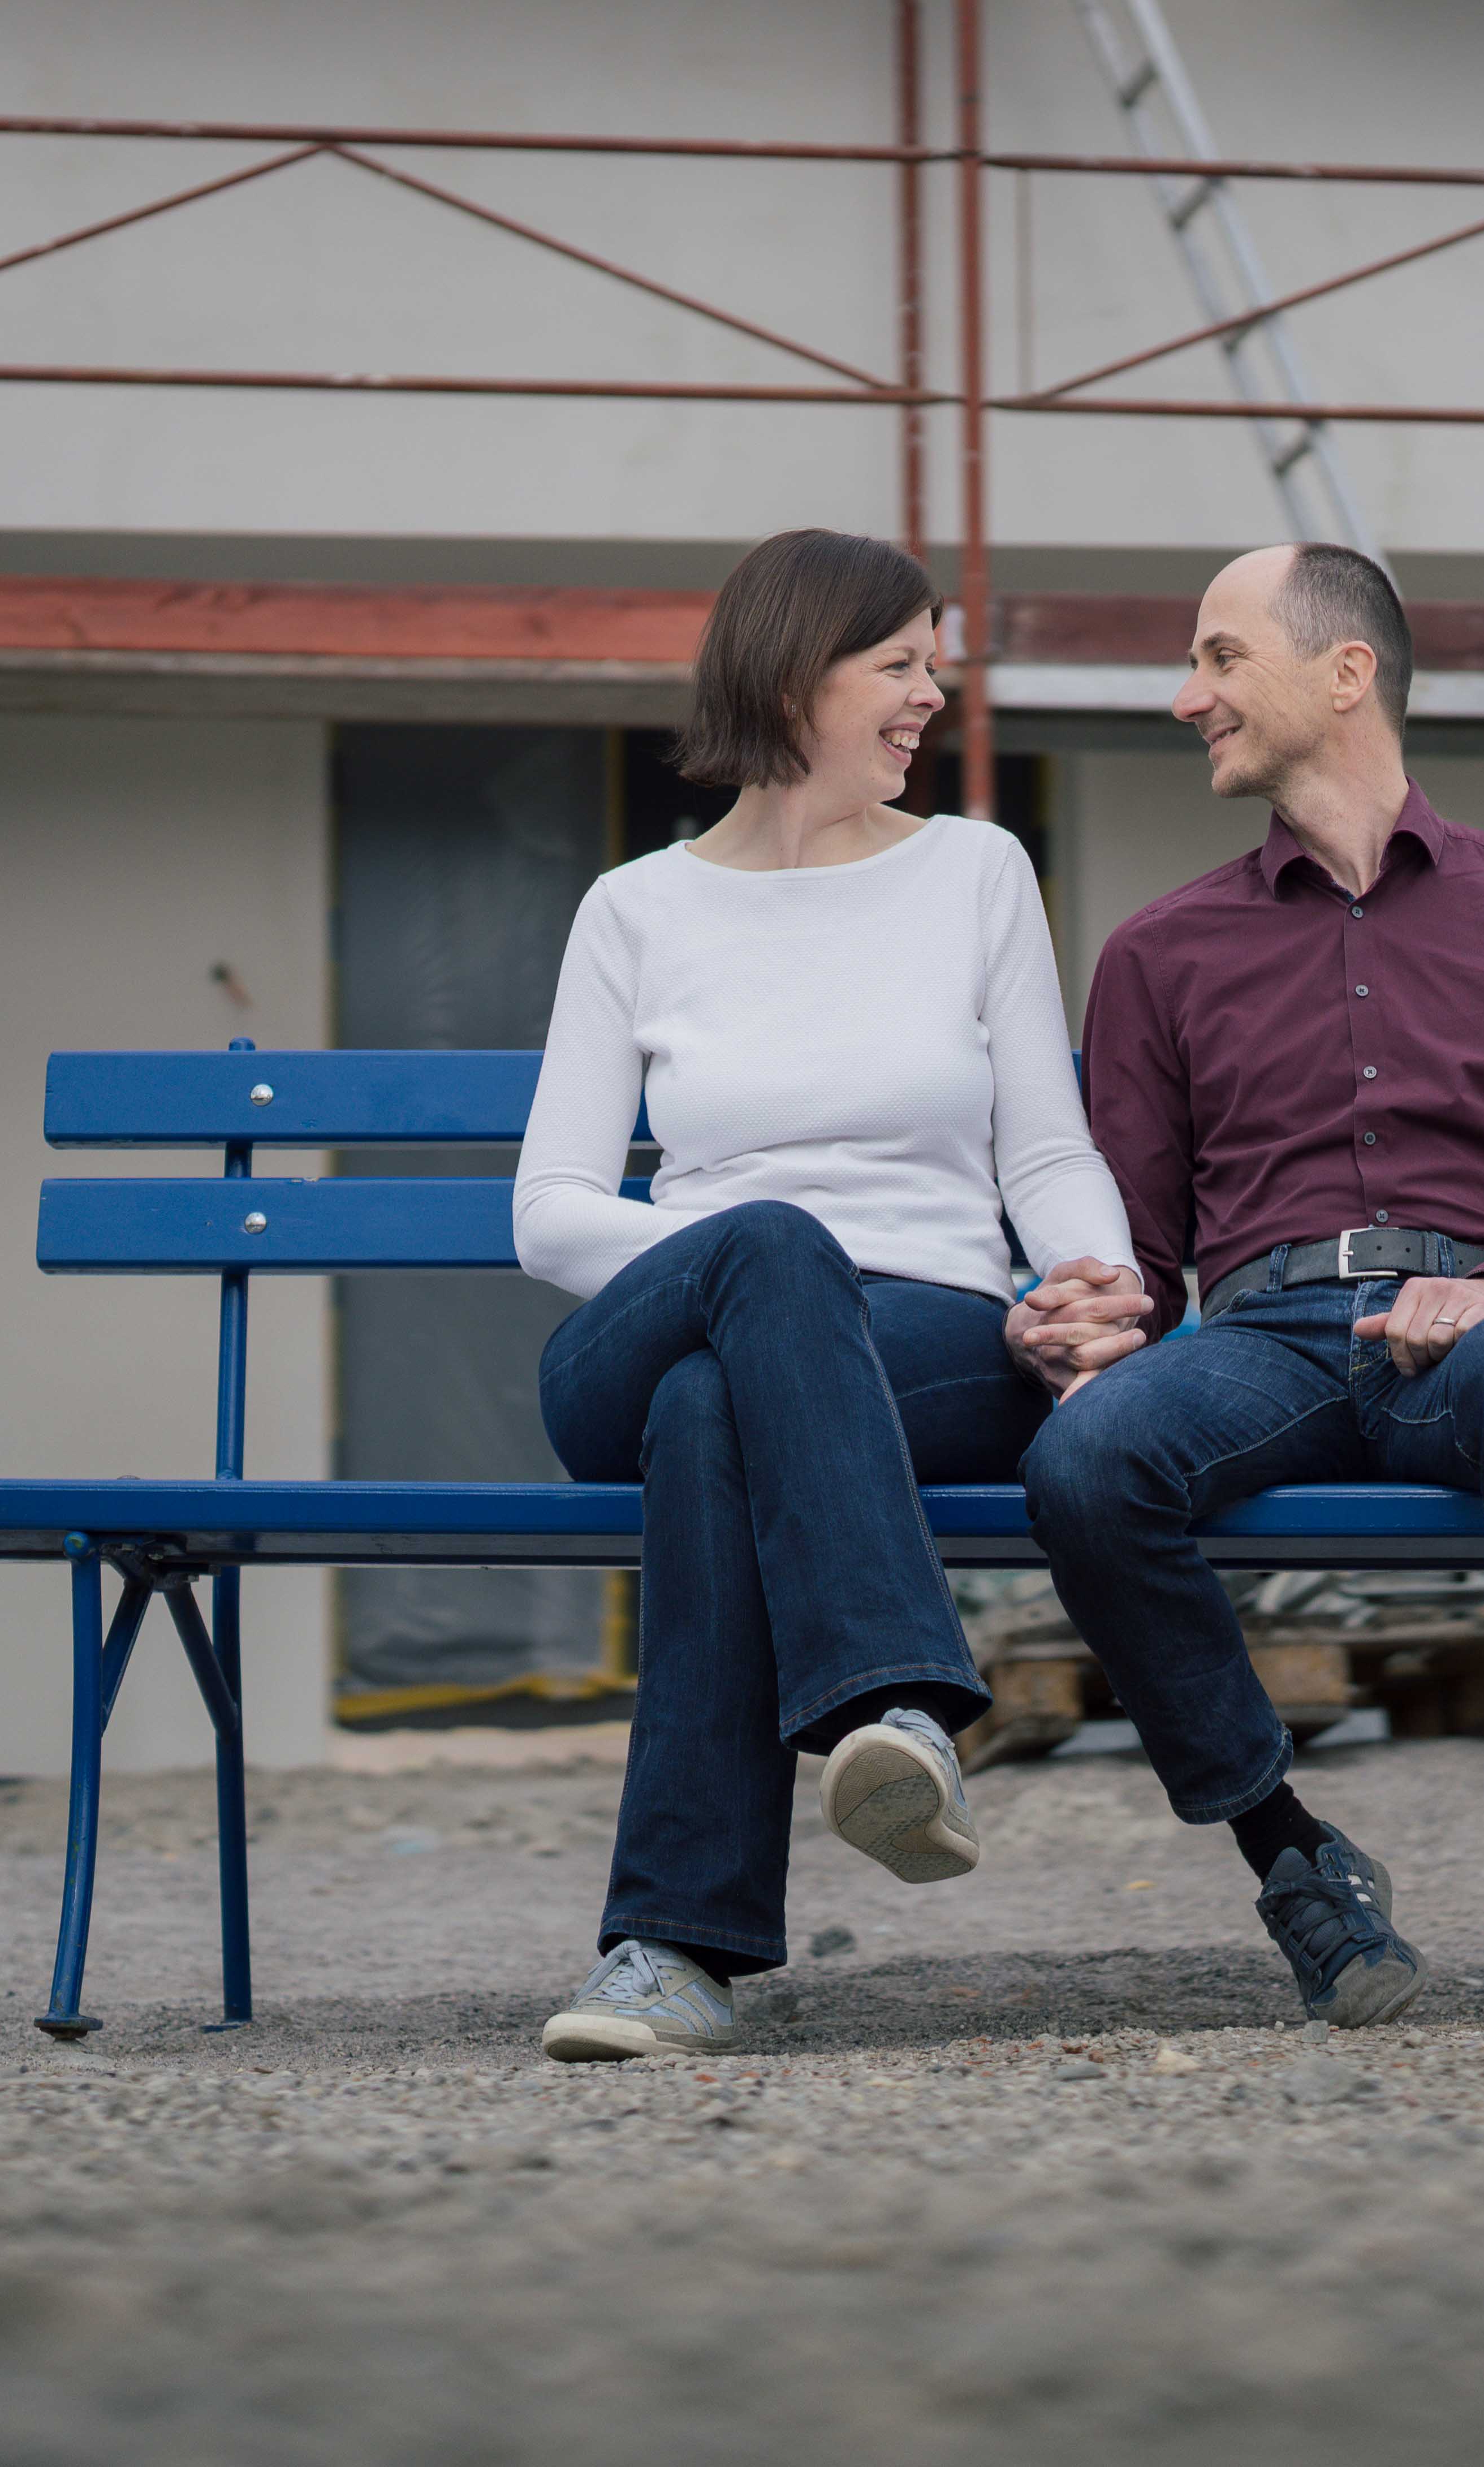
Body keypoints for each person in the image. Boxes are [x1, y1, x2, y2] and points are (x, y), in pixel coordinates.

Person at [1025, 540, 1484, 2030]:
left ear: (1346, 673)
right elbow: (1138, 1247)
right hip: (1258, 1346)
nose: (1186, 697)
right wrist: (1083, 1313)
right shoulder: (1156, 954)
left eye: (1219, 657)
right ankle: (1292, 1859)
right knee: (1082, 1454)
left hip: (1470, 1338)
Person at [513, 525, 1151, 2062]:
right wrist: (747, 1257)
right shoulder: (635, 908)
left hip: (928, 1340)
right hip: (673, 1308)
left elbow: (1043, 1147)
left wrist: (1098, 1285)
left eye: (936, 667)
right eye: (900, 666)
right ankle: (899, 1700)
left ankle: (671, 1952)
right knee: (764, 1260)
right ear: (797, 673)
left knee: (709, 1414)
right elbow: (549, 1212)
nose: (931, 696)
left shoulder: (975, 873)